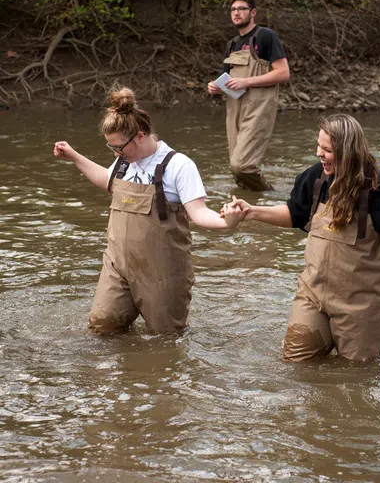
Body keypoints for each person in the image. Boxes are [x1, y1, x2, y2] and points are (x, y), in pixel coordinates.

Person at [226, 114, 380, 362]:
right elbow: (295, 213)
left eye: (327, 149)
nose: (319, 154)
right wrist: (252, 212)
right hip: (312, 295)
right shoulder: (316, 178)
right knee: (295, 364)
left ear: (348, 151)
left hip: (362, 305)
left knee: (355, 379)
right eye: (318, 146)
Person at [52, 87, 243, 334]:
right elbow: (107, 181)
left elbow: (198, 213)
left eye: (119, 147)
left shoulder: (179, 165)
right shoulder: (124, 161)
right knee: (102, 329)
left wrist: (227, 222)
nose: (116, 153)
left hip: (162, 272)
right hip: (117, 266)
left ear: (140, 136)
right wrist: (75, 157)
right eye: (111, 148)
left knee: (165, 339)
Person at [207, 0, 290, 191]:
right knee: (237, 172)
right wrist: (214, 87)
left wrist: (247, 81)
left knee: (242, 165)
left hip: (258, 107)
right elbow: (226, 80)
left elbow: (283, 73)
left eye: (241, 9)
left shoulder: (265, 36)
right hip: (234, 109)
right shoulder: (232, 44)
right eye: (233, 10)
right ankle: (249, 209)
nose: (236, 13)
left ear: (252, 13)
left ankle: (272, 194)